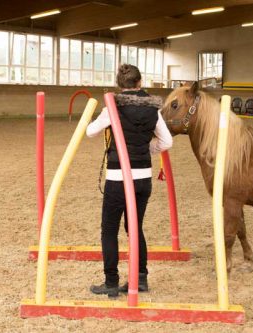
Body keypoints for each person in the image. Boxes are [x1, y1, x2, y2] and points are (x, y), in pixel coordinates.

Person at [86, 64, 173, 298]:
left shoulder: (113, 107)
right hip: (143, 177)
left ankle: (111, 281)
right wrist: (146, 148)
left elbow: (90, 131)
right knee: (134, 227)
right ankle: (141, 277)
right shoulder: (152, 109)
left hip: (118, 177)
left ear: (119, 85)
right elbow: (166, 142)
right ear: (140, 82)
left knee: (109, 229)